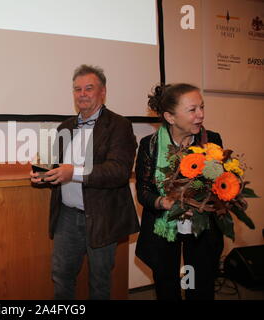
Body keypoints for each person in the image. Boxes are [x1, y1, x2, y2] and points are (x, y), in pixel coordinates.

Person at [30, 64, 139, 299]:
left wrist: (73, 173)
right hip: (67, 217)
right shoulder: (65, 126)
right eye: (77, 89)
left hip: (102, 216)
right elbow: (56, 165)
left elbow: (118, 171)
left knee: (99, 281)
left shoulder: (120, 126)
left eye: (88, 88)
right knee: (61, 276)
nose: (82, 94)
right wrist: (42, 174)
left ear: (103, 92)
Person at [135, 83, 224, 300]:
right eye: (192, 110)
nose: (200, 115)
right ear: (170, 117)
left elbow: (221, 183)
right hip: (163, 228)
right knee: (167, 285)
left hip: (200, 229)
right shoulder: (151, 145)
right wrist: (163, 202)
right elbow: (143, 190)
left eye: (201, 107)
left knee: (198, 283)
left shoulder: (211, 141)